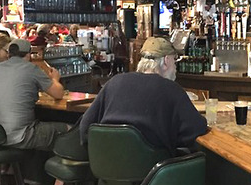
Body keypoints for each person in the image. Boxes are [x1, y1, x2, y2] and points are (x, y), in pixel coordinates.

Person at [78, 37, 207, 155]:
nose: (175, 68)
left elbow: (85, 126)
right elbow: (197, 128)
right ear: (166, 60)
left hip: (106, 168)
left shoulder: (114, 82)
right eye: (174, 61)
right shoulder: (171, 89)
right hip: (157, 170)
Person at [0, 39, 66, 150]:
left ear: (9, 54)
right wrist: (55, 79)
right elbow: (58, 93)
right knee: (70, 129)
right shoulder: (32, 68)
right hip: (20, 137)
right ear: (28, 55)